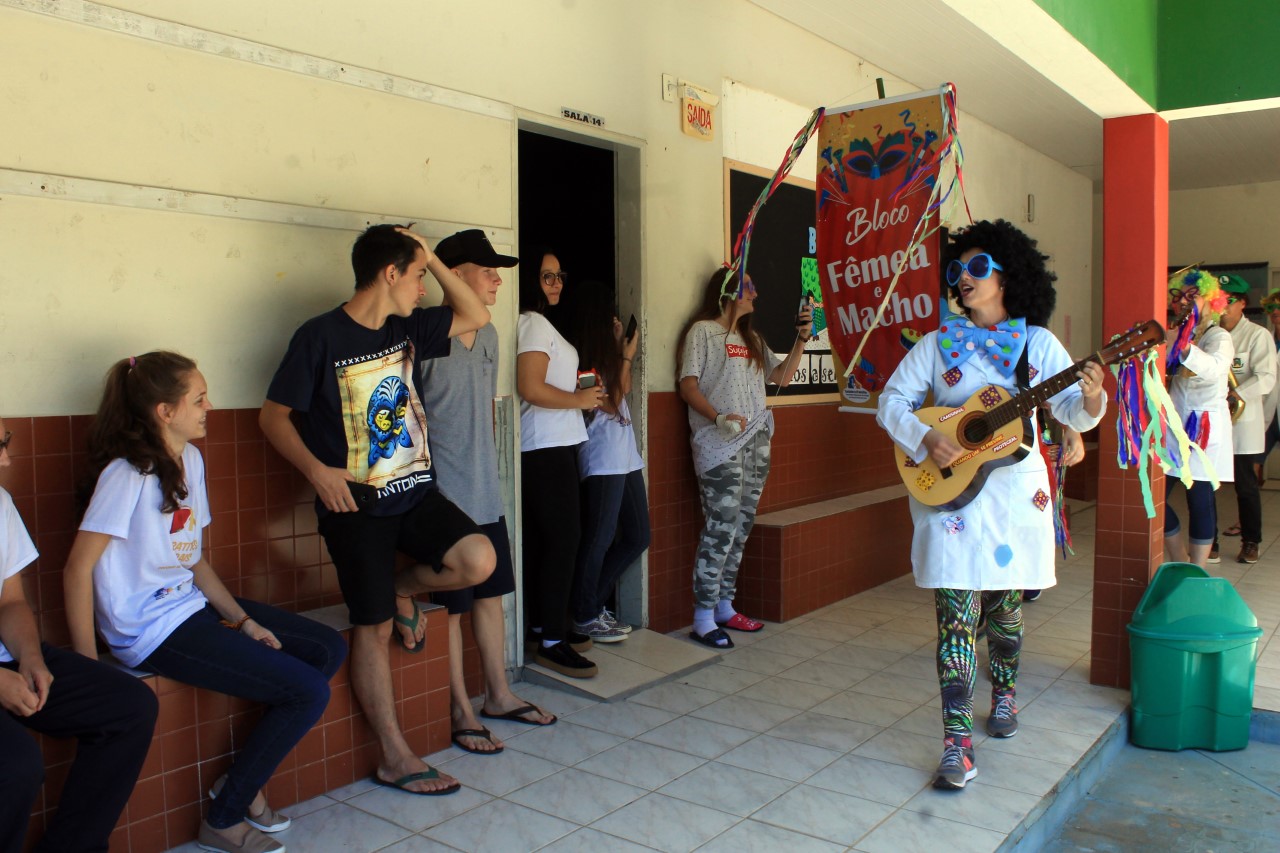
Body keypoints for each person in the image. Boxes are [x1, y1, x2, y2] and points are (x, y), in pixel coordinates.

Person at [63, 353, 347, 853]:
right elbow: (77, 568)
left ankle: (243, 781)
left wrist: (241, 620)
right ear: (163, 411)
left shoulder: (190, 460)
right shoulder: (127, 474)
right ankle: (225, 814)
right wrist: (89, 666)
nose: (209, 406)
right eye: (198, 398)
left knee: (324, 647)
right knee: (306, 692)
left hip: (188, 606)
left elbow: (194, 562)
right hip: (148, 628)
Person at [259, 225, 497, 796]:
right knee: (371, 628)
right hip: (354, 508)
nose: (424, 288)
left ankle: (404, 587)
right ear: (389, 275)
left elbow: (476, 316)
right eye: (417, 276)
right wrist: (316, 471)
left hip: (415, 491)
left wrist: (433, 258)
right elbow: (272, 417)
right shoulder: (318, 336)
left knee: (478, 559)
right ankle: (394, 755)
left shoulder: (407, 327)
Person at [877, 220, 1106, 791]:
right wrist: (926, 438)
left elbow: (1073, 412)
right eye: (957, 271)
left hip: (1013, 497)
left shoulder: (1038, 345)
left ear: (1008, 276)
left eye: (978, 267)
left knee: (1005, 610)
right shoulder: (935, 344)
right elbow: (891, 401)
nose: (964, 278)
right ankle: (957, 743)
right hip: (949, 489)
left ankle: (1005, 694)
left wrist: (1095, 394)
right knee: (953, 615)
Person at [417, 230, 555, 753]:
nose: (498, 279)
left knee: (492, 598)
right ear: (454, 274)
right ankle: (457, 709)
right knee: (451, 607)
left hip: (485, 490)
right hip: (442, 496)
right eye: (487, 270)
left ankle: (497, 694)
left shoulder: (493, 337)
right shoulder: (426, 334)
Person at [0, 419, 157, 853]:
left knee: (129, 706)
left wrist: (31, 659)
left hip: (8, 658)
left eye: (6, 443)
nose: (7, 458)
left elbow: (11, 601)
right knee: (14, 766)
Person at [676, 268, 812, 649]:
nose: (755, 292)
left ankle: (724, 606)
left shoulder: (750, 337)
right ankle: (702, 618)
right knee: (720, 526)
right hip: (718, 444)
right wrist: (717, 416)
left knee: (741, 526)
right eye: (748, 286)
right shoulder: (703, 332)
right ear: (727, 290)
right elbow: (687, 385)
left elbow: (781, 377)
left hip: (756, 441)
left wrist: (801, 339)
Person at [517, 249, 603, 677]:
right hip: (545, 447)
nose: (555, 284)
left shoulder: (541, 323)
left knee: (548, 541)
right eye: (546, 276)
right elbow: (530, 387)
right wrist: (579, 399)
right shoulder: (532, 323)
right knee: (563, 541)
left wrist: (582, 394)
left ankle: (542, 626)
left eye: (559, 275)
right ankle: (553, 639)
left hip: (552, 444)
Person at [569, 282, 650, 642]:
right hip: (602, 461)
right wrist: (626, 355)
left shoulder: (608, 359)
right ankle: (584, 614)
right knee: (598, 539)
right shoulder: (581, 363)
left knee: (638, 536)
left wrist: (620, 352)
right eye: (609, 321)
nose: (615, 325)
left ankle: (589, 605)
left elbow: (623, 388)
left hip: (626, 457)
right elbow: (613, 399)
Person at [1164, 268, 1234, 569]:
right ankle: (1179, 559)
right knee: (1153, 497)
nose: (1183, 303)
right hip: (1174, 426)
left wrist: (1182, 346)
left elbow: (1215, 369)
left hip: (1204, 429)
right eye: (1179, 297)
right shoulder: (1180, 332)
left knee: (1200, 500)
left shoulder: (1219, 336)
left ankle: (1199, 569)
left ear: (1211, 301)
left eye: (1192, 296)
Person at [1213, 275, 1276, 564]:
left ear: (1242, 304)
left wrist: (1235, 395)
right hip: (1212, 422)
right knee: (1206, 483)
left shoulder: (1257, 336)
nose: (1222, 307)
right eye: (1219, 301)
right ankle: (1208, 541)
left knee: (1246, 486)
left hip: (1243, 421)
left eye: (1228, 301)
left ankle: (1251, 541)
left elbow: (1265, 379)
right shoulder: (1209, 334)